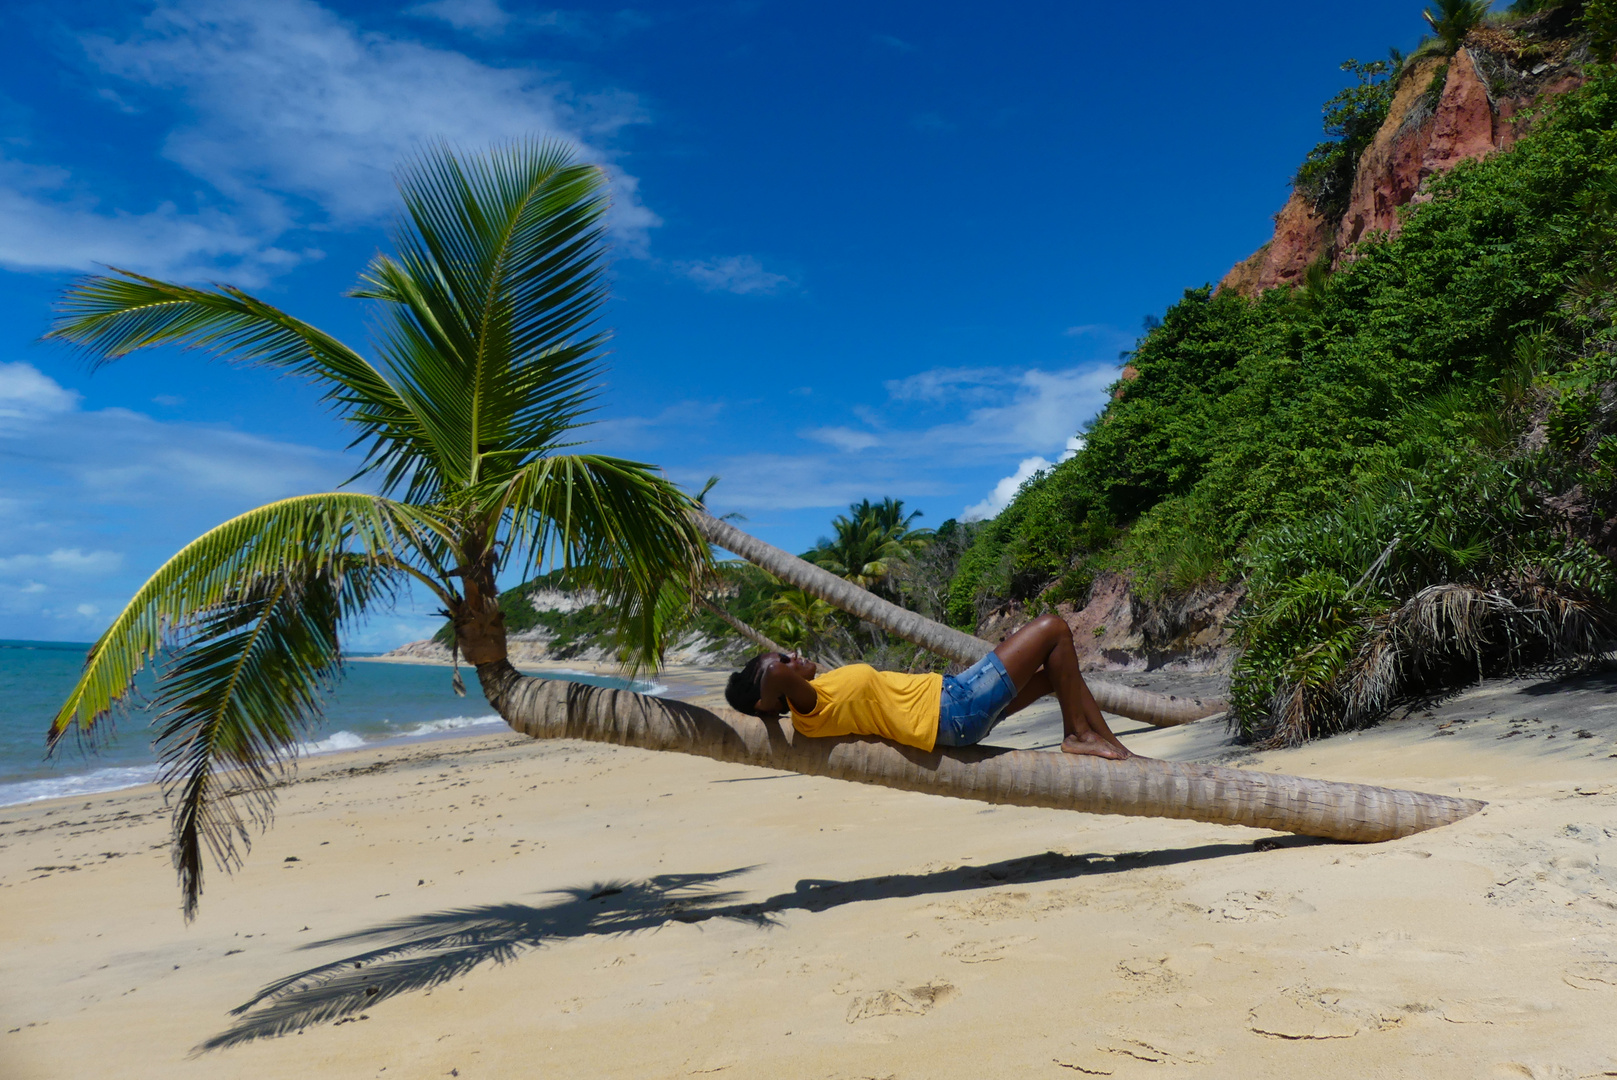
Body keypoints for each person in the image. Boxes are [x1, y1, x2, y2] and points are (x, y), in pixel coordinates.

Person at [722, 614, 1132, 759]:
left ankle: (1109, 743)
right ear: (772, 697)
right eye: (783, 658)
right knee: (1054, 629)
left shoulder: (819, 693)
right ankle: (1079, 735)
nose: (791, 657)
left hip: (955, 705)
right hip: (953, 707)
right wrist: (766, 693)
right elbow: (775, 677)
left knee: (1053, 677)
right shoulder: (808, 709)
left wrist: (773, 681)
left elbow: (776, 675)